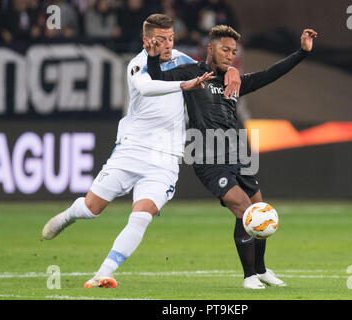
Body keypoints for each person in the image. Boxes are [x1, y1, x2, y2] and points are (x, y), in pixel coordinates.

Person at [41, 14, 241, 289]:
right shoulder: (137, 65)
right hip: (131, 150)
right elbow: (147, 88)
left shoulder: (185, 63)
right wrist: (183, 85)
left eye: (171, 38)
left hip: (165, 158)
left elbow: (215, 71)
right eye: (161, 40)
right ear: (147, 41)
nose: (168, 44)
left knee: (141, 215)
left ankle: (102, 274)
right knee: (92, 208)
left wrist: (232, 71)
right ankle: (69, 215)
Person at [146, 25, 317, 289]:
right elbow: (156, 79)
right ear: (210, 48)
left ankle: (260, 270)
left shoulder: (234, 81)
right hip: (208, 158)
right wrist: (153, 57)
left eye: (233, 51)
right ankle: (248, 276)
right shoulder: (191, 73)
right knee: (244, 210)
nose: (229, 55)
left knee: (261, 211)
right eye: (225, 49)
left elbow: (271, 74)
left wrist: (302, 53)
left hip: (237, 156)